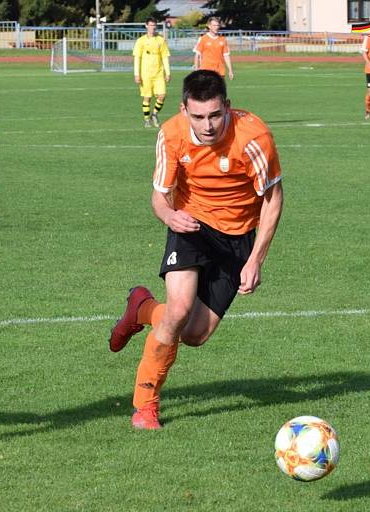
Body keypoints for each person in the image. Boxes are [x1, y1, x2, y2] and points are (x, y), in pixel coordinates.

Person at [108, 70, 284, 429]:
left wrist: (255, 260)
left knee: (194, 334)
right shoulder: (171, 134)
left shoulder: (254, 137)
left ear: (228, 108)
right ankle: (146, 405)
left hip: (237, 238)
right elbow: (159, 196)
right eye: (199, 116)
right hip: (190, 225)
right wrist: (171, 218)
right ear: (184, 110)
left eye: (215, 115)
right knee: (178, 311)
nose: (207, 125)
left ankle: (141, 307)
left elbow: (273, 199)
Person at [133, 17, 171, 128]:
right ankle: (146, 119)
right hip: (145, 74)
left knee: (162, 95)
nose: (152, 27)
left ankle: (154, 114)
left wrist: (167, 72)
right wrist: (136, 73)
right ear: (146, 26)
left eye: (154, 25)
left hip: (158, 73)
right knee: (147, 97)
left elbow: (165, 57)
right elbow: (137, 58)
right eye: (150, 25)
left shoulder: (161, 40)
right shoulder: (141, 41)